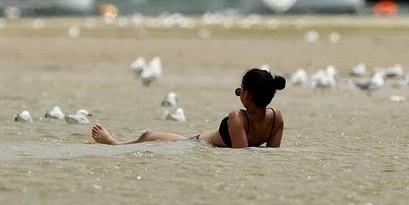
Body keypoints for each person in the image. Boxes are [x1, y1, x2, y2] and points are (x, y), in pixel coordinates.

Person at [90, 68, 285, 148]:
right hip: (200, 140)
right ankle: (114, 142)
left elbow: (243, 158)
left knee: (148, 136)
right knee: (149, 136)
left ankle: (113, 143)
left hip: (200, 143)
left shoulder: (237, 117)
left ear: (247, 95)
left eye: (239, 91)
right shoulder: (276, 118)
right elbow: (268, 155)